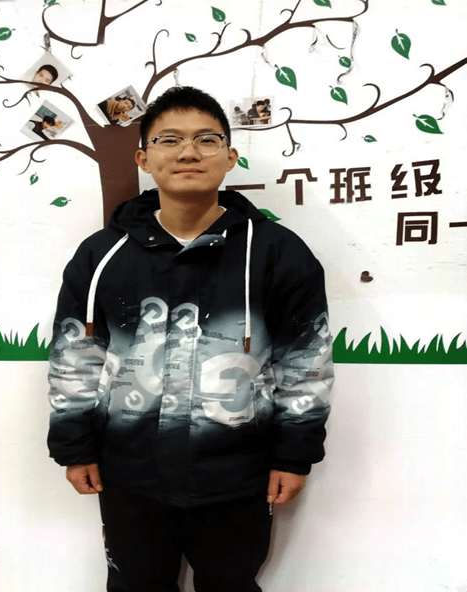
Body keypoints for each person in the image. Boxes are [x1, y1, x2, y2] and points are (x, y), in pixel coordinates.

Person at [47, 85, 334, 592]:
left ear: (230, 156)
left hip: (238, 476)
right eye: (169, 139)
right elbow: (76, 357)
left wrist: (294, 454)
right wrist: (74, 446)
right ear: (143, 158)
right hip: (129, 474)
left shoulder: (277, 252)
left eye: (206, 139)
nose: (187, 152)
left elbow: (305, 363)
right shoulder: (101, 255)